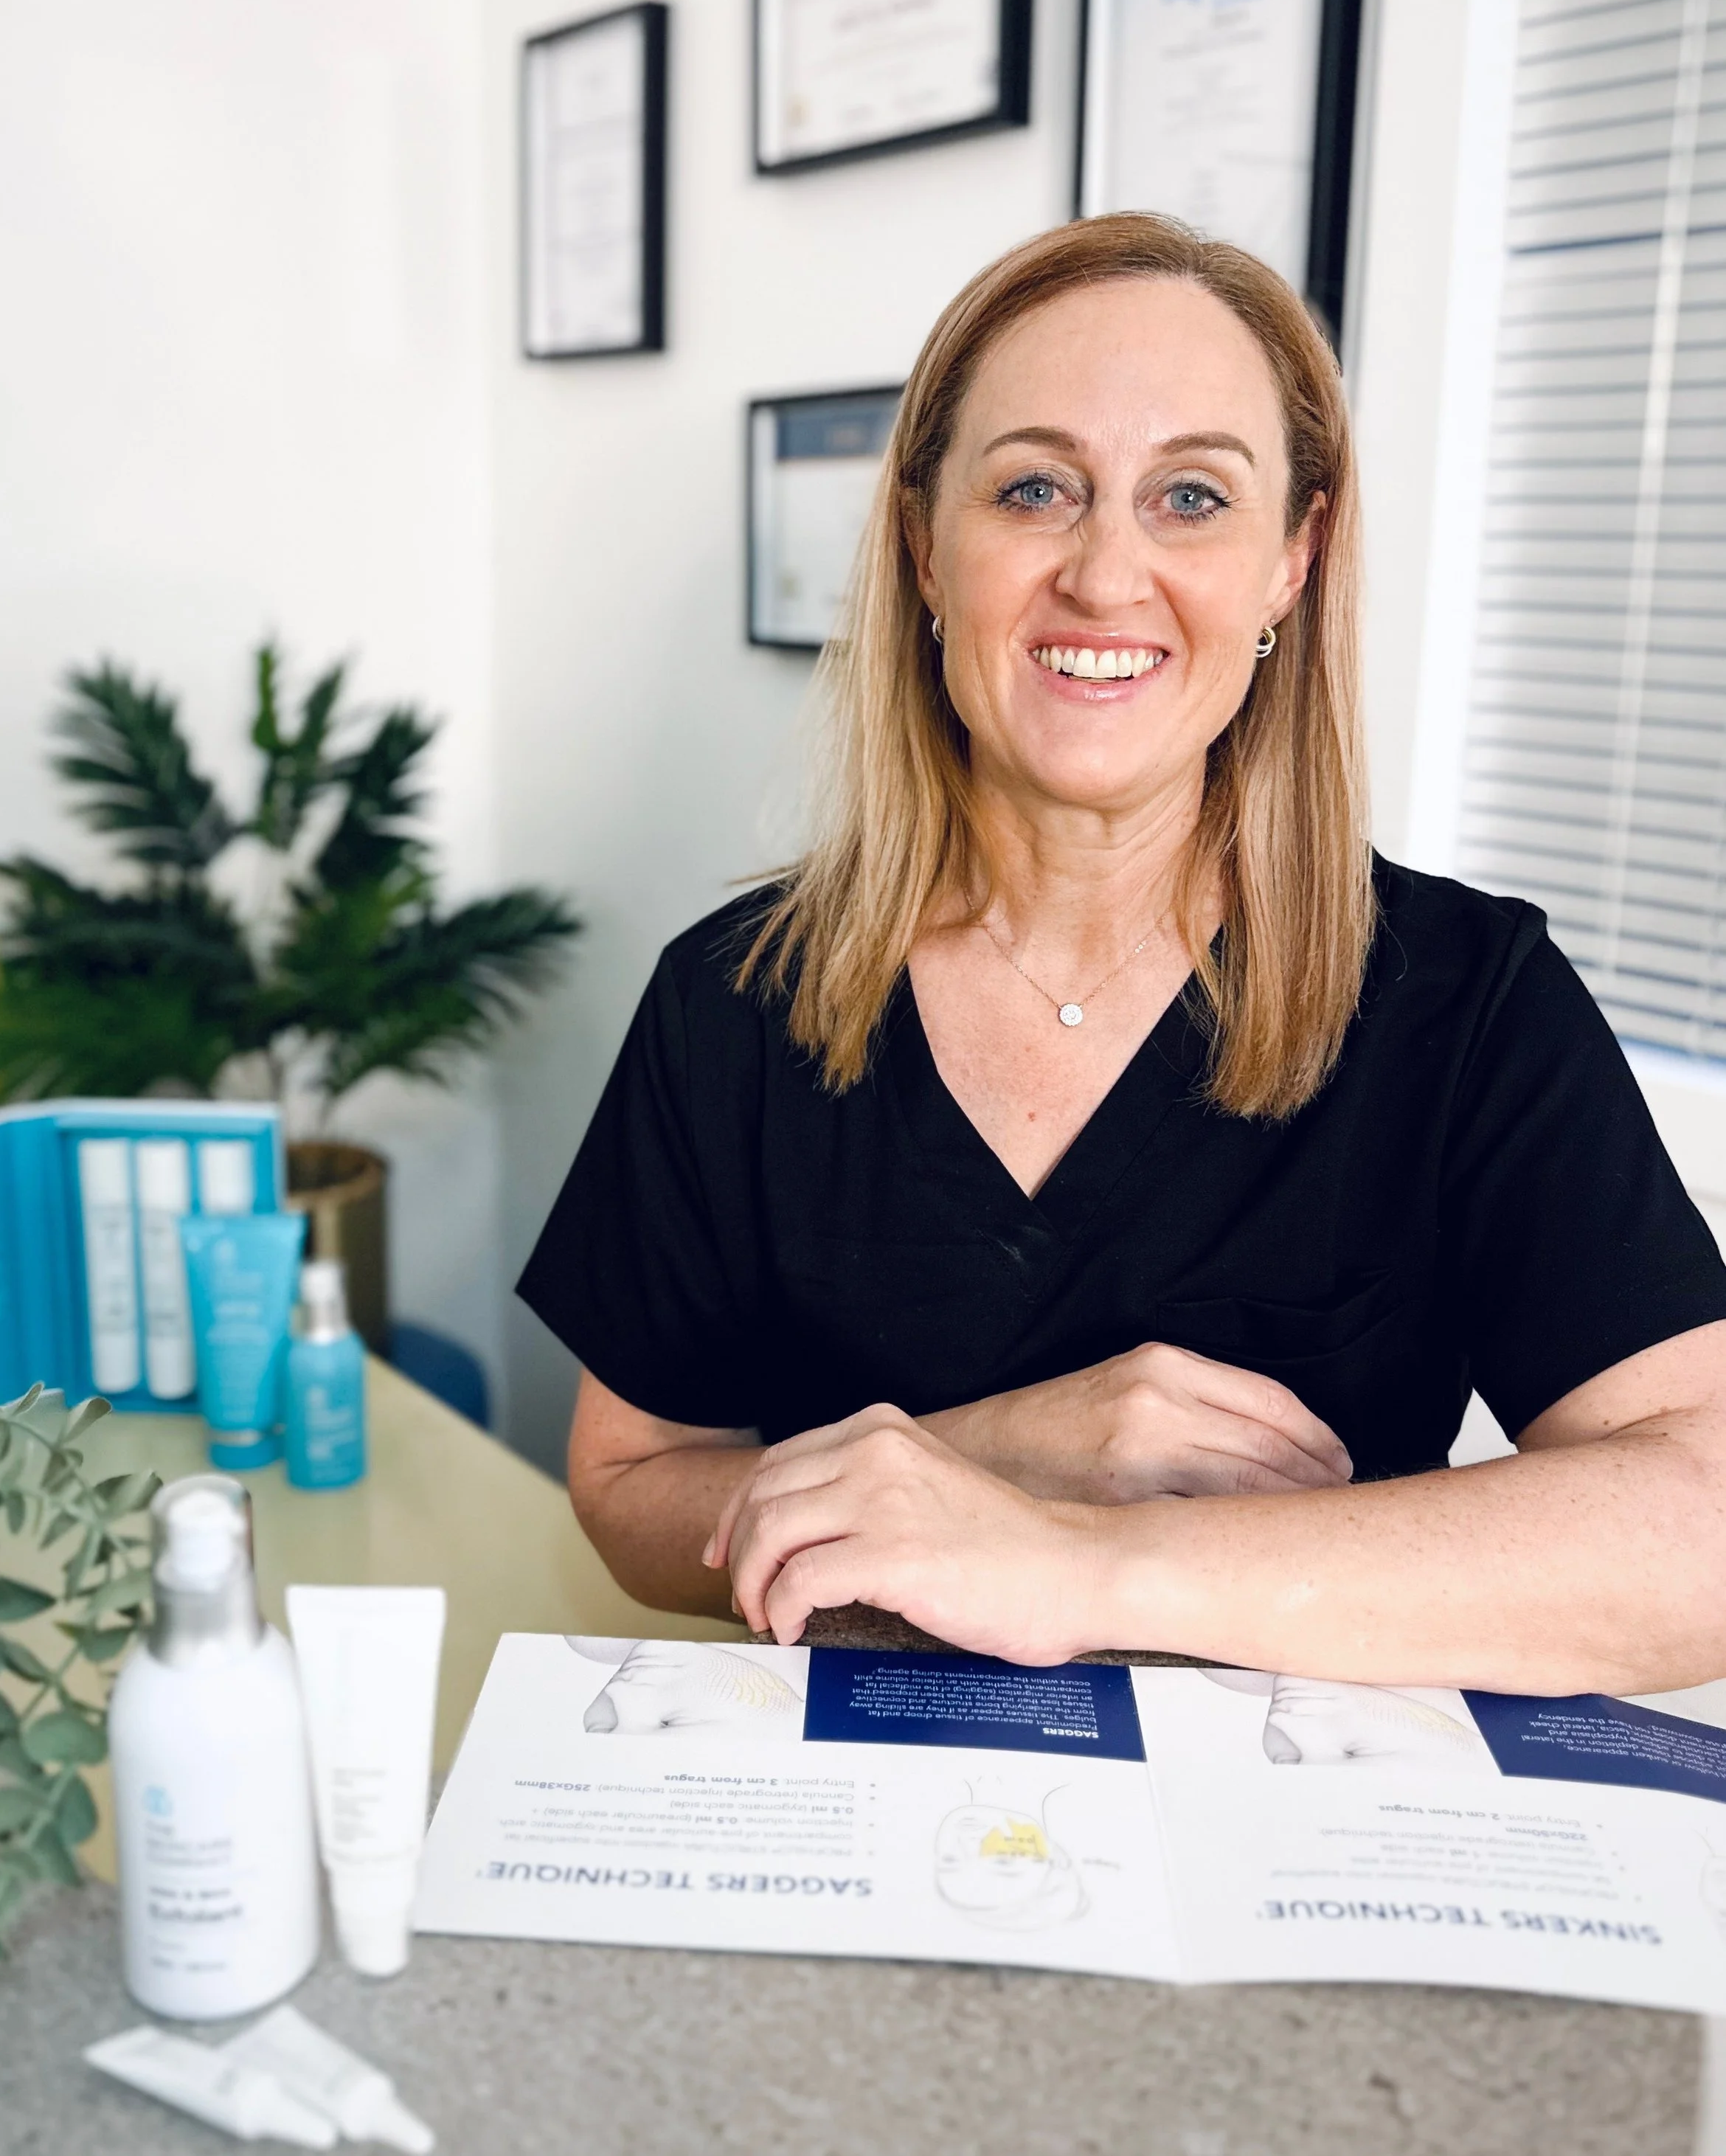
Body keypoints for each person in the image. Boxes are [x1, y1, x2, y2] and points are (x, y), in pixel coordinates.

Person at [522, 214, 1726, 1694]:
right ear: (920, 546)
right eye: (1034, 487)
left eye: (1189, 497)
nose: (1104, 573)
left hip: (1290, 1862)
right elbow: (629, 1480)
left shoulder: (1467, 1000)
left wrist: (1072, 1564)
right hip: (843, 1826)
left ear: (1291, 561)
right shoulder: (733, 996)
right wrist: (992, 1451)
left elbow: (1698, 1526)